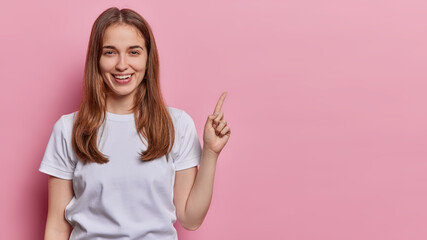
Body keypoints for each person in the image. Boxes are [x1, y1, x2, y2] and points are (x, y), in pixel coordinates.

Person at [38, 7, 231, 240]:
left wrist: (210, 152)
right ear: (96, 59)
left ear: (148, 58)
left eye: (133, 52)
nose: (122, 65)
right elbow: (57, 228)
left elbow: (190, 219)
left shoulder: (177, 125)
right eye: (110, 52)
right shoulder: (68, 129)